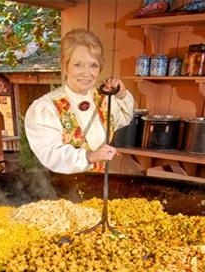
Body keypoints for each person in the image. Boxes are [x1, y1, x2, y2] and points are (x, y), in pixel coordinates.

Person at [24, 28, 134, 174]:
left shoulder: (102, 99)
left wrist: (121, 94)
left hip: (99, 184)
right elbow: (50, 153)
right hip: (61, 189)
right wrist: (89, 157)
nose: (86, 73)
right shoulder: (46, 107)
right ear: (65, 66)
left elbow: (123, 118)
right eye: (78, 65)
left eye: (93, 65)